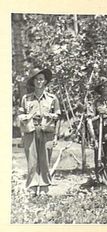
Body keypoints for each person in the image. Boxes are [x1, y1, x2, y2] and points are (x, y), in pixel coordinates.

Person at [18, 68, 60, 196]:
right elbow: (20, 116)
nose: (39, 81)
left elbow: (58, 117)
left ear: (45, 81)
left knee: (45, 159)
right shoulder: (26, 98)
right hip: (30, 130)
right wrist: (22, 135)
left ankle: (44, 187)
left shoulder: (52, 99)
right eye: (36, 79)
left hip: (46, 131)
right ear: (33, 81)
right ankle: (32, 186)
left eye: (41, 79)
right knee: (32, 159)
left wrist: (56, 136)